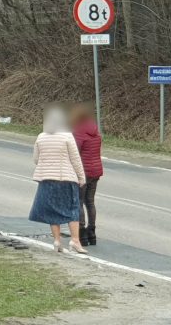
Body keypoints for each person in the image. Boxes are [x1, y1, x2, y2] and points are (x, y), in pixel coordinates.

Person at [30, 105, 88, 254]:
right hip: (65, 178)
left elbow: (36, 159)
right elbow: (75, 159)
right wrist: (81, 177)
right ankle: (75, 240)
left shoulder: (41, 137)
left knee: (52, 210)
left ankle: (57, 240)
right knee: (72, 208)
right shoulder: (67, 136)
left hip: (46, 179)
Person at [71, 103, 103, 246]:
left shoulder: (78, 132)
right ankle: (92, 232)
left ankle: (82, 233)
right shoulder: (95, 131)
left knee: (79, 201)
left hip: (83, 171)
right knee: (90, 201)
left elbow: (74, 152)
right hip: (96, 170)